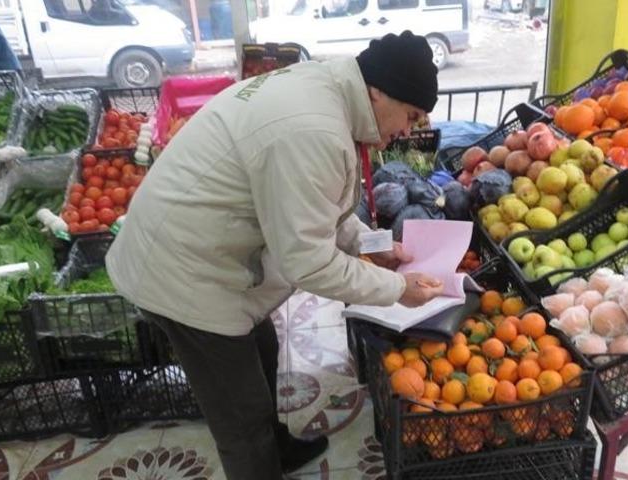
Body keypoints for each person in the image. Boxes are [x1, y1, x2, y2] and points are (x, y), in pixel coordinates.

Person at [106, 31, 445, 480]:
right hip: (181, 268)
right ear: (379, 91)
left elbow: (318, 207)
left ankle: (279, 448)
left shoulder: (332, 96)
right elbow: (309, 261)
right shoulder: (313, 129)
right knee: (239, 412)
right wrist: (398, 289)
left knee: (262, 344)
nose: (407, 131)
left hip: (212, 250)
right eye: (410, 114)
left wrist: (374, 246)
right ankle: (259, 462)